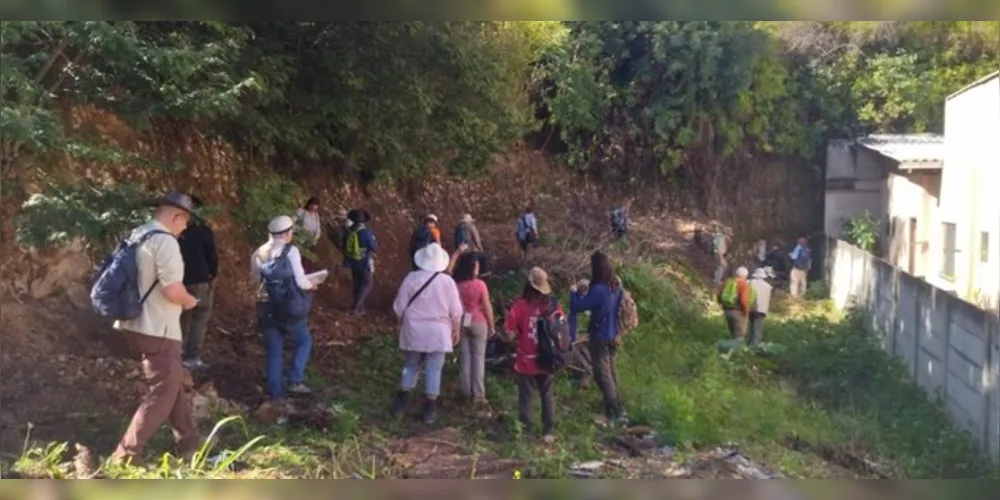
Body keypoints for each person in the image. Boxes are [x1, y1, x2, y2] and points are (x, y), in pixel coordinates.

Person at [111, 191, 202, 465]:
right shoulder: (166, 242)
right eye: (185, 221)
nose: (185, 228)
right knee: (163, 389)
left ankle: (189, 442)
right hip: (158, 326)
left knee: (171, 382)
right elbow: (173, 290)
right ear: (176, 216)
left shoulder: (138, 235)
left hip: (133, 321)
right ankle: (126, 455)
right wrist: (190, 301)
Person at [389, 243, 463, 424]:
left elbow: (399, 307)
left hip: (414, 330)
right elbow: (456, 311)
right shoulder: (447, 282)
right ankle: (429, 410)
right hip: (439, 332)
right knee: (434, 368)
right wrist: (456, 330)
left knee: (411, 364)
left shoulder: (411, 278)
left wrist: (401, 321)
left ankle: (401, 403)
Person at [251, 215, 318, 400]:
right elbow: (300, 281)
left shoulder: (258, 253)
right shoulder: (291, 251)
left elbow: (254, 280)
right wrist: (312, 285)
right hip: (288, 306)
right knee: (304, 341)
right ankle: (295, 379)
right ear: (287, 233)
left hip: (266, 307)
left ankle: (276, 395)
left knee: (274, 350)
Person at [503, 267, 560, 442]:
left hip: (526, 358)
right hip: (547, 357)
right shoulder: (553, 305)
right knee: (547, 394)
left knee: (526, 395)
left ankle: (526, 430)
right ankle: (548, 431)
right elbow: (560, 330)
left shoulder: (520, 305)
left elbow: (509, 333)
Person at [569, 251, 626, 425]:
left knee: (602, 374)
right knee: (611, 371)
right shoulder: (614, 286)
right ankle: (615, 406)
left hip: (600, 335)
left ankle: (616, 411)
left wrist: (573, 292)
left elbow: (578, 306)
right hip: (613, 333)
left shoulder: (599, 290)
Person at [177, 195, 218, 371]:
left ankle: (174, 354)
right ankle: (191, 357)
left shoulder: (174, 231)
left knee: (178, 319)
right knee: (199, 318)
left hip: (177, 280)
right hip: (200, 281)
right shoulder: (204, 231)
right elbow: (212, 257)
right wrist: (212, 275)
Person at [452, 251, 496, 406]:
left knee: (464, 357)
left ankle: (465, 390)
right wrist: (492, 326)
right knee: (478, 357)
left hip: (462, 321)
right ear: (473, 268)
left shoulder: (457, 285)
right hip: (479, 321)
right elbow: (486, 306)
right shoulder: (480, 285)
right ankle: (478, 394)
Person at [343, 209, 376, 316]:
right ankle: (356, 307)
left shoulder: (349, 231)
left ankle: (360, 307)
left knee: (357, 284)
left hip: (353, 261)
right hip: (364, 261)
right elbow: (373, 246)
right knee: (367, 284)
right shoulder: (365, 232)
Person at [717, 266, 755, 341]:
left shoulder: (728, 282)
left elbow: (719, 295)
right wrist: (746, 312)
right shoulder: (744, 285)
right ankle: (735, 352)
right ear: (745, 276)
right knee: (739, 335)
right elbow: (743, 300)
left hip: (727, 311)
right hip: (738, 312)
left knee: (732, 333)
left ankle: (729, 349)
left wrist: (723, 305)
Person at [296, 197, 322, 274]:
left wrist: (316, 238)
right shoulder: (301, 212)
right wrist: (300, 230)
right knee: (301, 259)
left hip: (312, 241)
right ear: (309, 204)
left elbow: (318, 228)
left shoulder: (316, 215)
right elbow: (293, 222)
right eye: (313, 204)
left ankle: (307, 275)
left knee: (309, 260)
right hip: (302, 240)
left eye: (316, 205)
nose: (314, 207)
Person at [748, 268, 773, 345]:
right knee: (758, 329)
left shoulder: (750, 283)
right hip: (762, 310)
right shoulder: (768, 286)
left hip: (751, 308)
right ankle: (755, 346)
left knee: (750, 328)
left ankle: (749, 345)